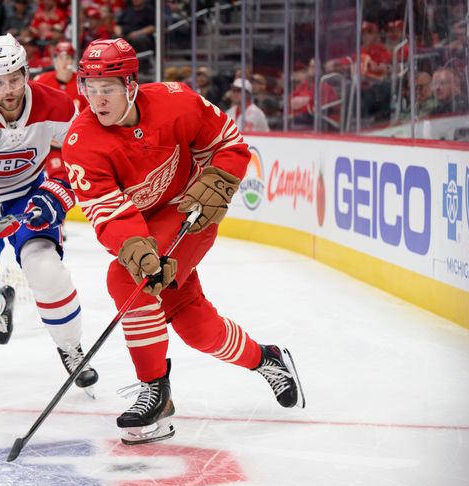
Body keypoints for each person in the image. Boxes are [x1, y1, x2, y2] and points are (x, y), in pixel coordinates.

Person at [62, 38, 305, 445]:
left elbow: (229, 142)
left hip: (189, 211)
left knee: (126, 280)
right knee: (195, 326)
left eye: (107, 89)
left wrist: (218, 179)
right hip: (142, 226)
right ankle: (267, 359)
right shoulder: (80, 142)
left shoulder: (177, 102)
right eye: (89, 88)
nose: (97, 100)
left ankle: (156, 391)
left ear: (131, 84)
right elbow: (108, 213)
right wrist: (138, 249)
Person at [0, 34, 98, 394]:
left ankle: (71, 348)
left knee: (45, 269)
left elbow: (84, 154)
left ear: (27, 72)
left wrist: (57, 193)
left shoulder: (56, 104)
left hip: (29, 195)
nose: (8, 89)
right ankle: (2, 303)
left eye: (14, 78)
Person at [34, 41, 89, 181]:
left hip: (77, 145)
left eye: (68, 58)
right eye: (60, 57)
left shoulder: (83, 83)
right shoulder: (41, 81)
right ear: (54, 59)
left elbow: (90, 115)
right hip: (49, 146)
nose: (64, 62)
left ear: (73, 60)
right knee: (58, 179)